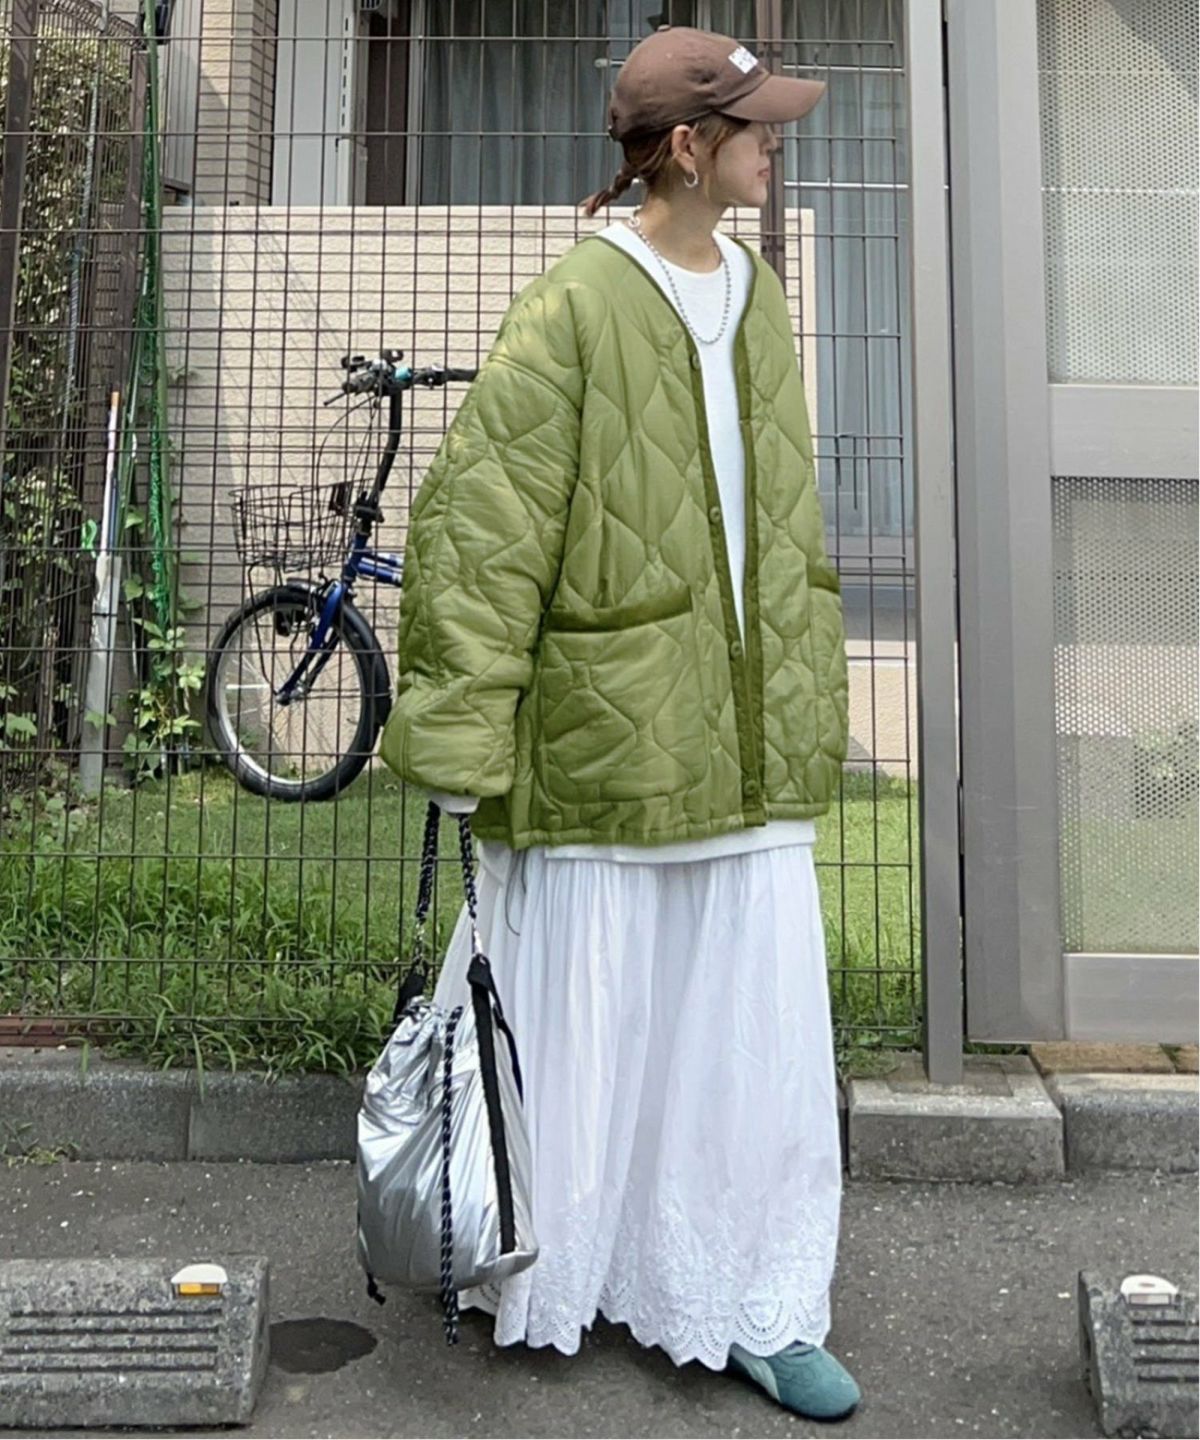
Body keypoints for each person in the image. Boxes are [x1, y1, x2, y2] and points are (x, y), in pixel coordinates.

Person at [379, 24, 858, 1422]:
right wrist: (463, 742)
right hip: (608, 740)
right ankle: (561, 1270)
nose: (777, 147)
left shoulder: (759, 292)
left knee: (748, 1037)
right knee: (597, 1022)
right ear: (690, 149)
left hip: (747, 741)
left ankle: (759, 1300)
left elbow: (778, 517)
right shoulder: (573, 305)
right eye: (757, 129)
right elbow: (484, 533)